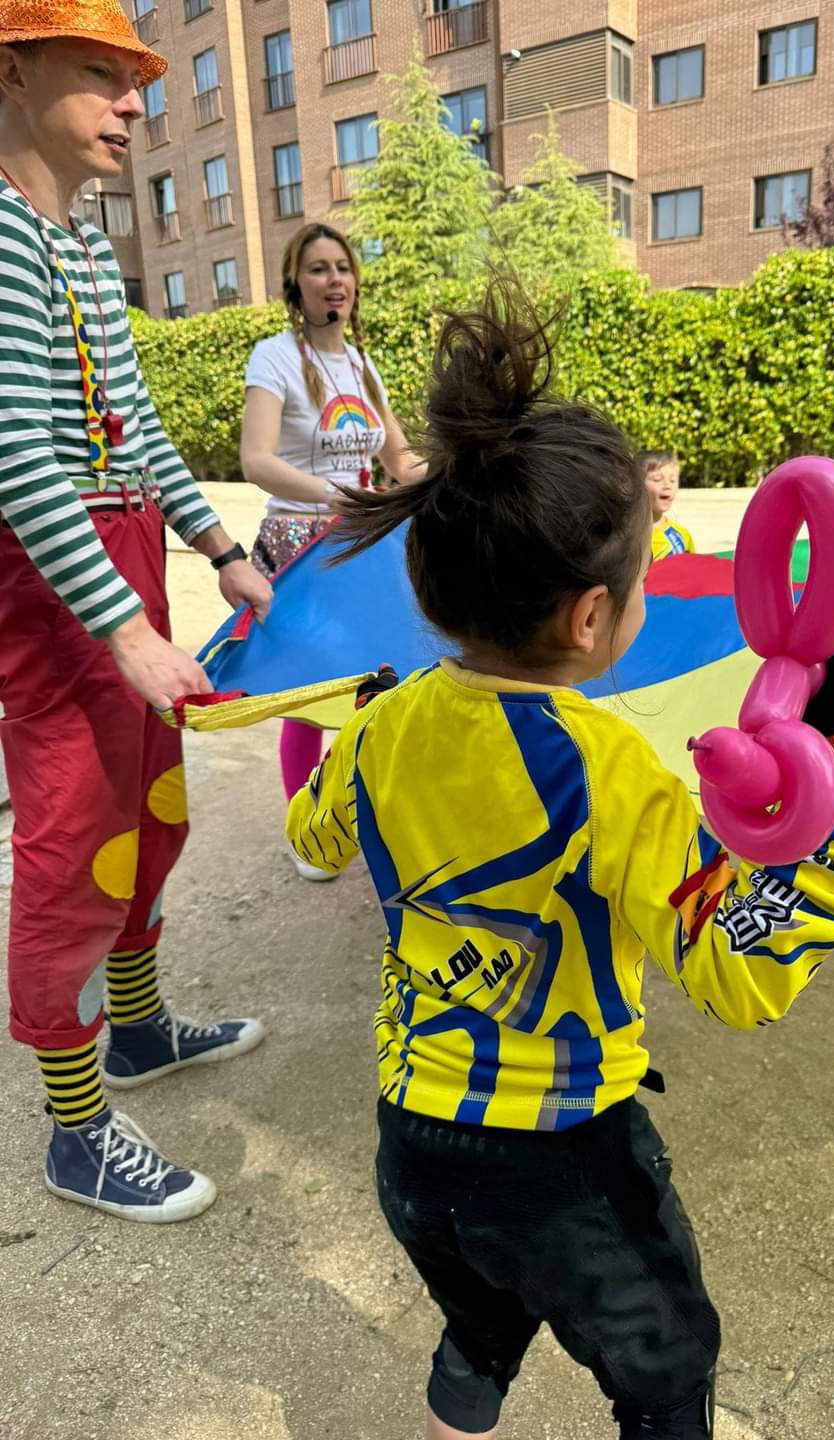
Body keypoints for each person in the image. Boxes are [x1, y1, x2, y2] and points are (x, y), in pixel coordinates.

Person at [285, 283, 834, 1440]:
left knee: (479, 1322)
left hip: (410, 1151)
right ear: (589, 618)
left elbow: (311, 833)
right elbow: (742, 974)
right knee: (667, 1376)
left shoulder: (378, 729)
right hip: (564, 1166)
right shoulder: (607, 767)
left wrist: (366, 722)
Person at [0, 2, 274, 1222]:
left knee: (151, 815)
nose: (133, 102)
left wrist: (219, 545)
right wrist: (121, 626)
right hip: (52, 582)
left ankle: (141, 1028)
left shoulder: (85, 248)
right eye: (104, 74)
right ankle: (73, 1132)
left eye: (137, 79)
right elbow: (15, 456)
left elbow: (139, 427)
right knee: (71, 848)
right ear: (14, 72)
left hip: (125, 554)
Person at [240, 221, 425, 880]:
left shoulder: (362, 365)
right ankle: (306, 827)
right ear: (296, 283)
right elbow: (255, 459)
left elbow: (399, 456)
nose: (334, 280)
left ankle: (370, 809)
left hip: (362, 540)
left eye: (342, 267)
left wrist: (454, 479)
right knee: (309, 689)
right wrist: (334, 496)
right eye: (318, 269)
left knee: (379, 681)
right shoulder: (275, 357)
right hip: (297, 542)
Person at [639, 449, 696, 561]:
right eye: (657, 479)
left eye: (673, 480)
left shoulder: (681, 535)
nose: (667, 485)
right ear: (637, 485)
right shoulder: (626, 536)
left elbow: (693, 572)